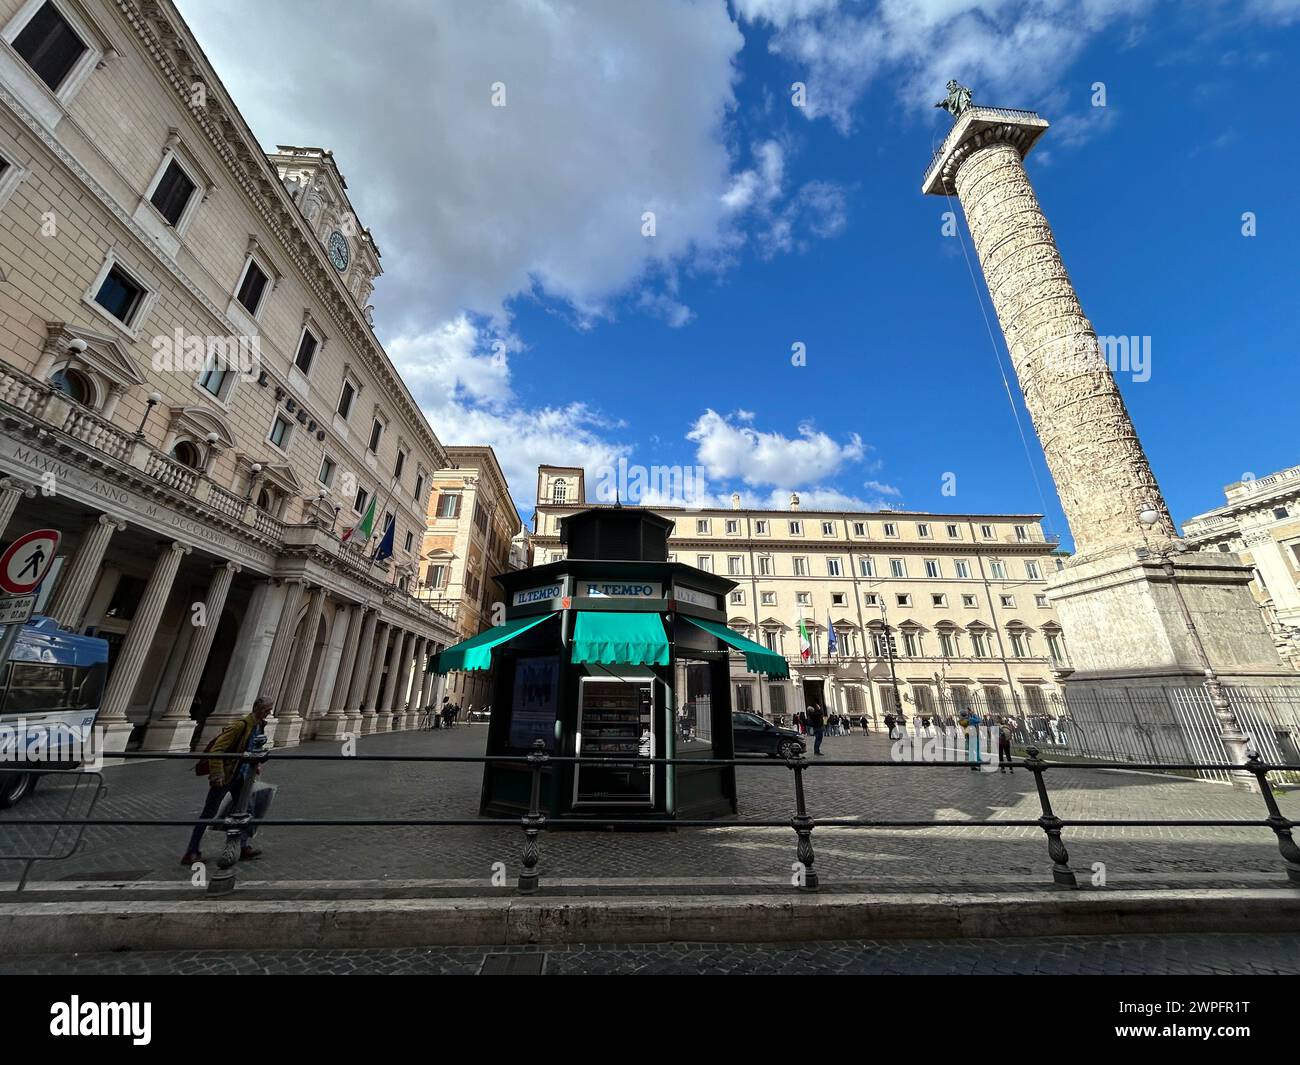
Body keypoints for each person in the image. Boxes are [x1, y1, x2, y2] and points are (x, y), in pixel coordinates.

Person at [182, 697, 272, 865]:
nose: (269, 712)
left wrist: (256, 764)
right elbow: (217, 750)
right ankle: (191, 851)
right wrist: (217, 774)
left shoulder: (260, 725)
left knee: (246, 810)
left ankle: (242, 846)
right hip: (227, 775)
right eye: (267, 710)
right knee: (209, 812)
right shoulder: (240, 725)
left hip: (242, 776)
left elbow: (253, 748)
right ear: (258, 709)